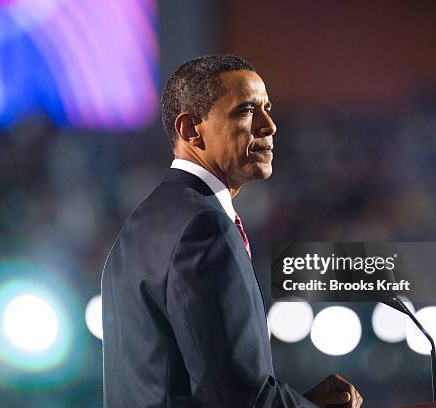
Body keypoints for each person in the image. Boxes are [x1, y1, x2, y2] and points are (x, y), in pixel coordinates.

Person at [101, 55, 363, 407]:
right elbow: (239, 399)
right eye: (246, 111)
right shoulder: (203, 227)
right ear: (190, 129)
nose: (269, 125)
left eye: (267, 108)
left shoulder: (146, 221)